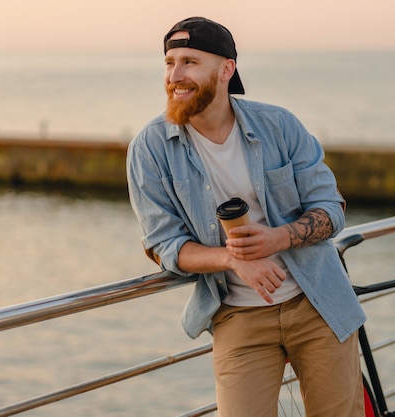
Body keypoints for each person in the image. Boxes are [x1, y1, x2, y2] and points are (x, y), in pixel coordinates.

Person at [126, 16, 366, 417]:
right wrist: (231, 259)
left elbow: (332, 209)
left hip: (318, 302)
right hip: (237, 315)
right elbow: (162, 244)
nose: (175, 75)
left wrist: (279, 238)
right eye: (169, 63)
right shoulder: (149, 149)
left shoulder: (279, 125)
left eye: (189, 62)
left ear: (226, 69)